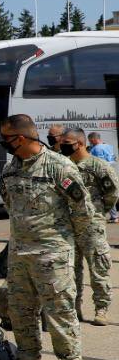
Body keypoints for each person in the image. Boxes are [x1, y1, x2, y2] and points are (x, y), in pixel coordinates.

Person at [0, 114, 91, 360]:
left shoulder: (58, 167)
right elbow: (10, 204)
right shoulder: (10, 169)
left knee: (60, 316)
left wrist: (69, 249)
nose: (2, 143)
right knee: (21, 316)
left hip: (53, 255)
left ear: (20, 138)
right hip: (20, 256)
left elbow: (82, 211)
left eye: (6, 138)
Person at [58, 128, 113, 325]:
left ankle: (101, 309)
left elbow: (112, 194)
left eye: (66, 143)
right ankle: (75, 309)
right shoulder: (62, 166)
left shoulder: (98, 166)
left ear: (80, 143)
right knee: (71, 270)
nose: (62, 146)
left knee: (98, 268)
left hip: (91, 226)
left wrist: (97, 212)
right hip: (67, 225)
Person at [87, 133, 118, 223]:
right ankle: (114, 216)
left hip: (102, 175)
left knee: (100, 194)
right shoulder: (109, 146)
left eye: (90, 140)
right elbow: (114, 159)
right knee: (110, 193)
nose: (90, 142)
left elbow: (98, 163)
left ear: (93, 139)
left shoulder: (96, 149)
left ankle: (108, 216)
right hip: (112, 172)